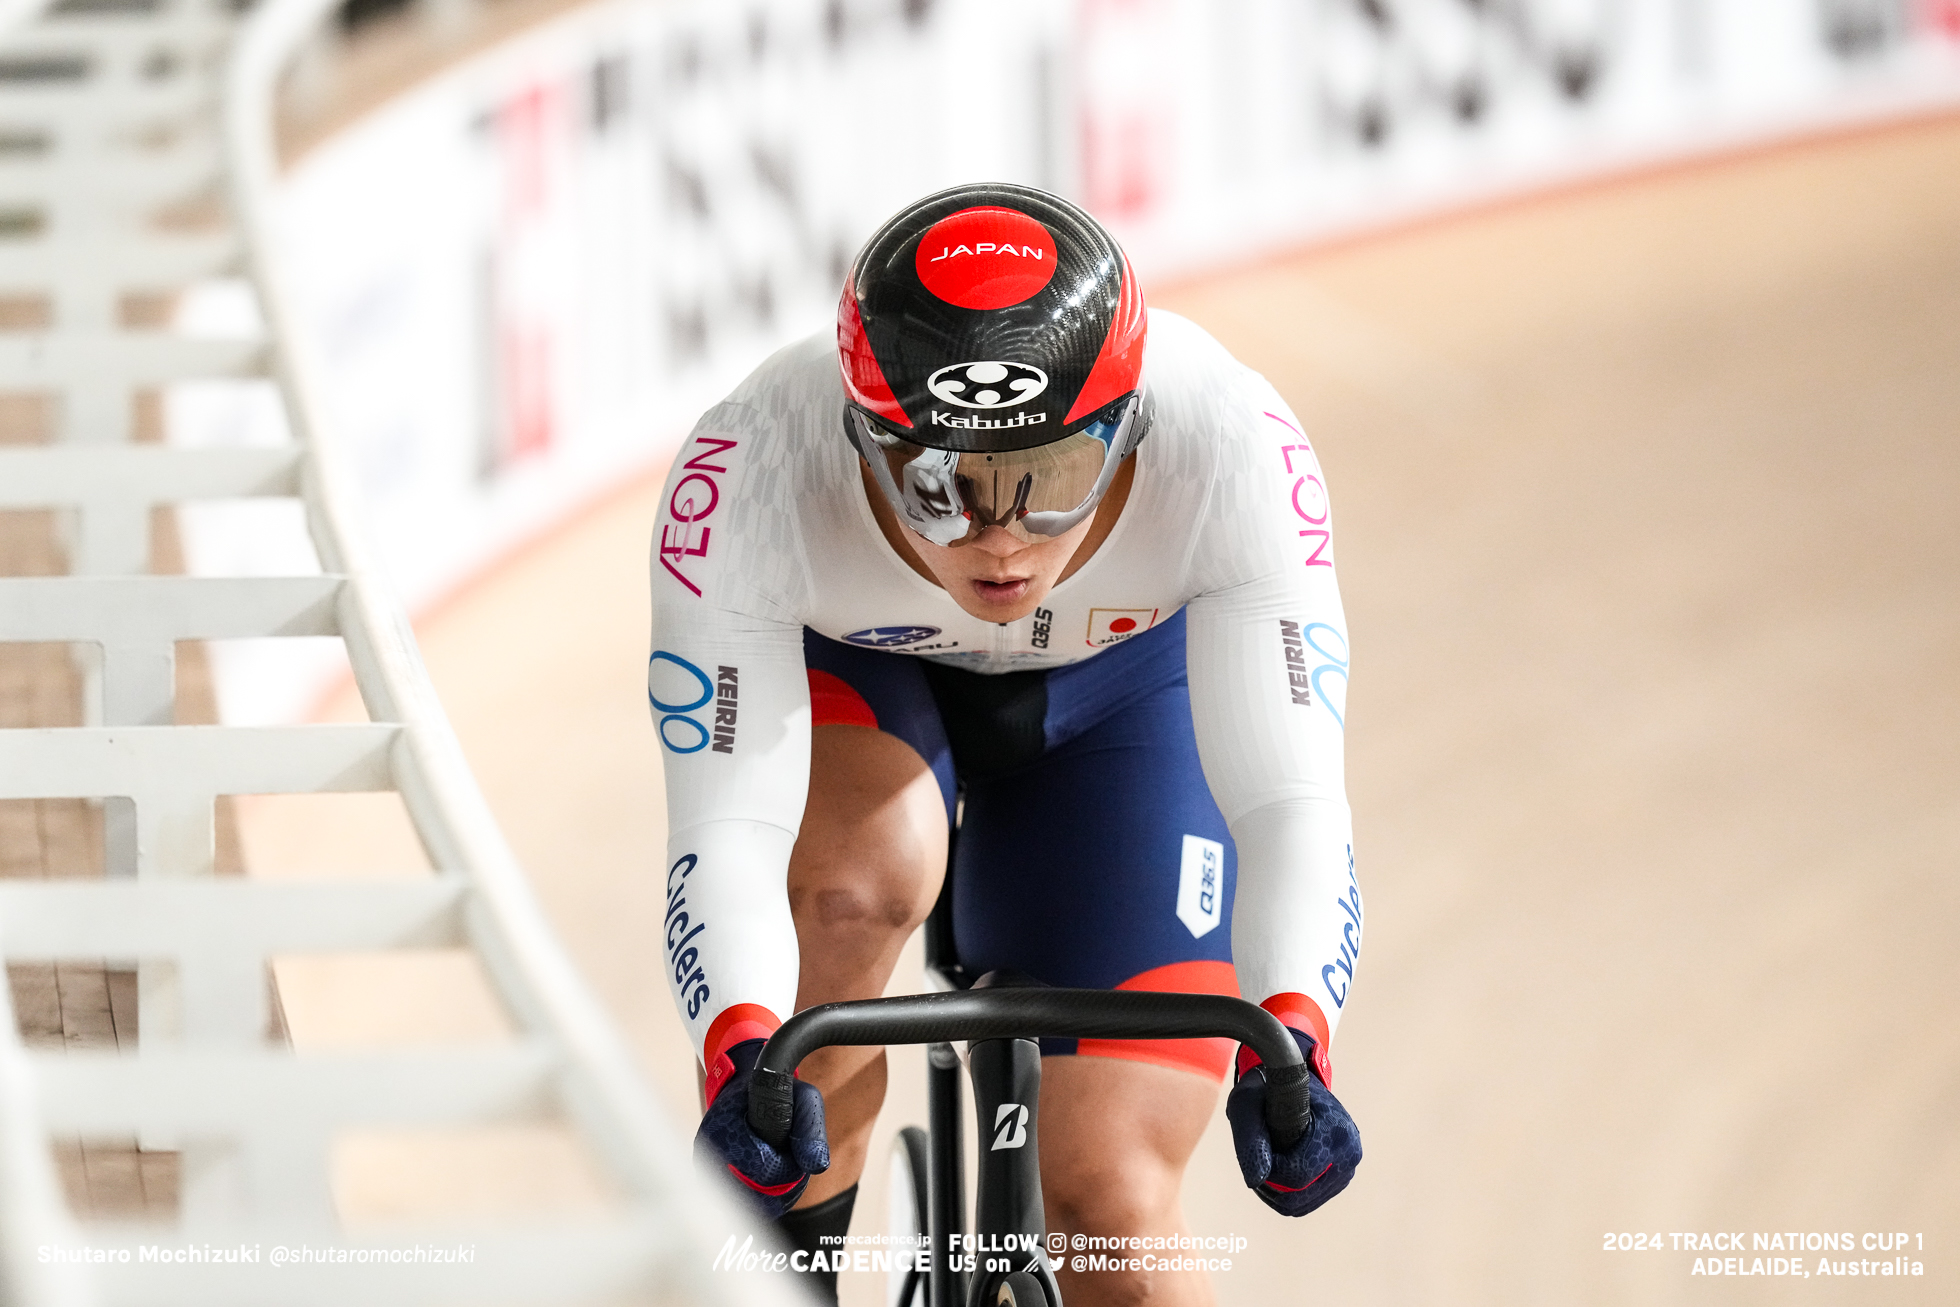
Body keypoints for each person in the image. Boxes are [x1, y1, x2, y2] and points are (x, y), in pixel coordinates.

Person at [650, 183, 1363, 1307]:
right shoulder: (751, 466)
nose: (998, 542)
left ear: (1129, 431)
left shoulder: (1231, 443)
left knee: (1113, 1207)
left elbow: (1292, 803)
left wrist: (1298, 1034)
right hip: (868, 677)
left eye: (1051, 486)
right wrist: (741, 1041)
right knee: (849, 889)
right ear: (864, 440)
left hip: (1127, 696)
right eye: (938, 489)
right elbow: (725, 826)